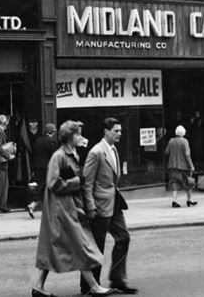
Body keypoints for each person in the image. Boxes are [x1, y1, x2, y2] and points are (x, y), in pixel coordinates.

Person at [32, 120, 115, 297]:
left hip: (67, 207)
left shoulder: (72, 154)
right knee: (80, 246)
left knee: (54, 248)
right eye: (77, 134)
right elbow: (52, 182)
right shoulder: (59, 156)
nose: (80, 137)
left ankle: (38, 286)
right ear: (69, 137)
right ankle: (93, 286)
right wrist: (77, 182)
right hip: (60, 209)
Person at [81, 118, 138, 295]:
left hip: (114, 204)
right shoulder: (96, 152)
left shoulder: (113, 149)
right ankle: (90, 286)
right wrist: (90, 207)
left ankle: (118, 279)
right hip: (100, 206)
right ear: (106, 131)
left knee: (123, 238)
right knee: (97, 247)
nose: (120, 133)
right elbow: (87, 183)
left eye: (120, 130)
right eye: (116, 130)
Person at [27, 123, 58, 218]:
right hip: (47, 168)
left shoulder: (38, 141)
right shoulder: (52, 142)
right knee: (47, 187)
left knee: (41, 186)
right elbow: (54, 157)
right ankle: (37, 206)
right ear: (53, 132)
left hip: (37, 167)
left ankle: (34, 205)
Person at [165, 125, 197, 208]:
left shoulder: (171, 141)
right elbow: (187, 154)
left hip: (172, 165)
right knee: (188, 182)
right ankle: (189, 200)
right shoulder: (185, 141)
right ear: (184, 133)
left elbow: (166, 152)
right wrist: (191, 165)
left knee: (174, 182)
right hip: (184, 166)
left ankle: (174, 201)